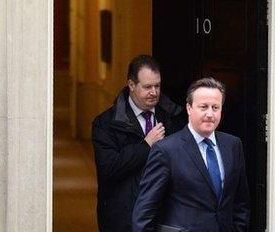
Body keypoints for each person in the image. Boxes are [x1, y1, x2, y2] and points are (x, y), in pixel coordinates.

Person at [132, 77, 250, 232]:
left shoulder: (233, 145)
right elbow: (144, 213)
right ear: (189, 108)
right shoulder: (166, 150)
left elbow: (241, 202)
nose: (210, 114)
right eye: (203, 107)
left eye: (215, 107)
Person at [92, 54, 185, 232]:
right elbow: (109, 168)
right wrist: (146, 145)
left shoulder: (173, 118)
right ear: (131, 85)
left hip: (165, 217)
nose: (154, 92)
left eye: (157, 86)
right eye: (147, 87)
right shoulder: (105, 123)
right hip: (123, 217)